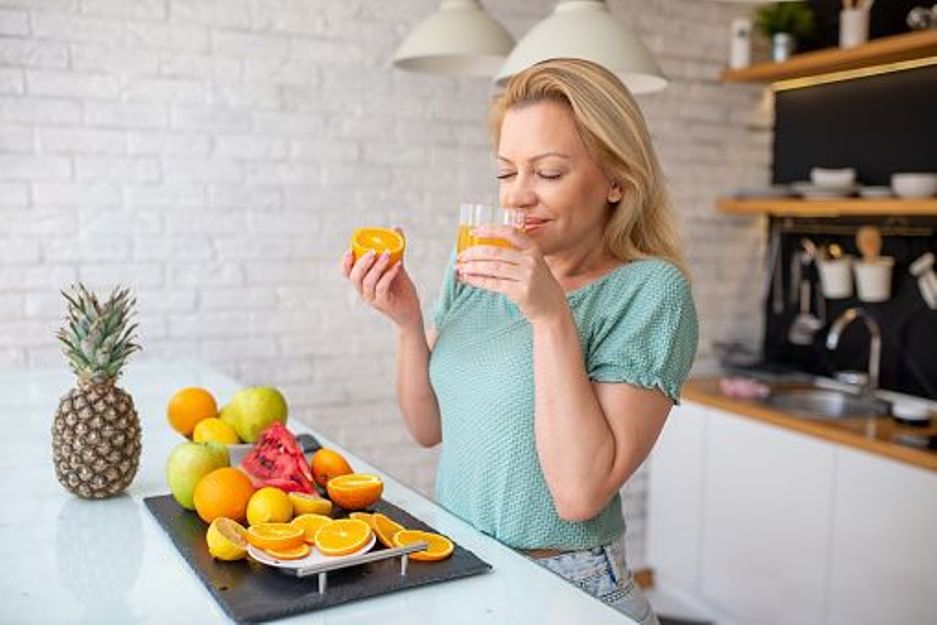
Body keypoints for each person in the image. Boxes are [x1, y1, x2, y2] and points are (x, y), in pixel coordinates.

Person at [341, 58, 698, 625]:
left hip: (569, 589)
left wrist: (550, 316)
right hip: (459, 566)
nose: (518, 198)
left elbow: (579, 494)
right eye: (507, 173)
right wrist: (407, 324)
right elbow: (429, 428)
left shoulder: (651, 292)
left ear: (617, 182)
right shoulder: (477, 263)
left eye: (548, 173)